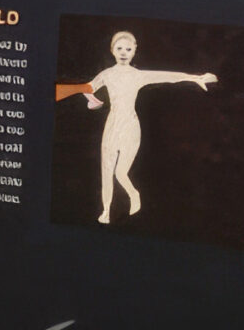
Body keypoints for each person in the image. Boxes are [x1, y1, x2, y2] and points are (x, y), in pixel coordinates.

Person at [65, 31, 216, 225]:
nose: (124, 52)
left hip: (131, 126)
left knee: (121, 173)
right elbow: (87, 89)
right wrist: (92, 101)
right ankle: (106, 211)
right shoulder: (107, 74)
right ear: (112, 50)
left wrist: (195, 78)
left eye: (128, 49)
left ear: (134, 51)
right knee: (107, 170)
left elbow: (167, 76)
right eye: (119, 48)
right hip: (112, 125)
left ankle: (134, 194)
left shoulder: (138, 75)